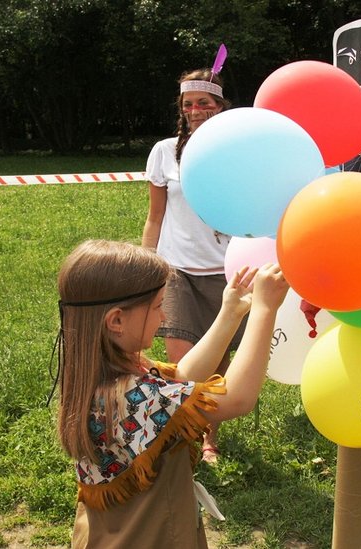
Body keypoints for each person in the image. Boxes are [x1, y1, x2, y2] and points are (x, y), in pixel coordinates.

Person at [55, 239, 288, 547]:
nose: (164, 317)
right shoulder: (133, 395)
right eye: (157, 307)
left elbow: (179, 377)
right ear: (116, 321)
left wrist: (230, 313)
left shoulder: (105, 373)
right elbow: (237, 399)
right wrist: (264, 309)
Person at [142, 68, 237, 463]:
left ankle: (208, 437)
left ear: (219, 107)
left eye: (204, 103)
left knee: (216, 362)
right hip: (175, 270)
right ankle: (182, 436)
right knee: (182, 365)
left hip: (226, 271)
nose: (196, 110)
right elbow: (155, 216)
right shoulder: (165, 152)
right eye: (189, 104)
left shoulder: (237, 152)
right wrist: (145, 266)